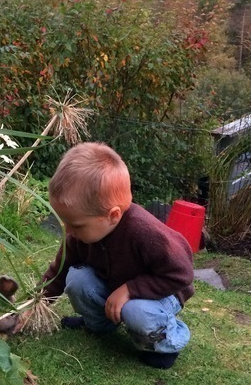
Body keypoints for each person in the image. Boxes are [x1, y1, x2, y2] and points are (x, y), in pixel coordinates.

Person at [41, 142, 195, 369]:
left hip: (162, 292)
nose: (68, 230)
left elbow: (182, 274)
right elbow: (59, 273)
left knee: (136, 310)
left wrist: (130, 290)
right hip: (115, 285)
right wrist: (36, 304)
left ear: (112, 216)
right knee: (76, 279)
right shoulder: (79, 235)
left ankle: (167, 342)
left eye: (75, 224)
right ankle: (99, 325)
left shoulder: (145, 232)